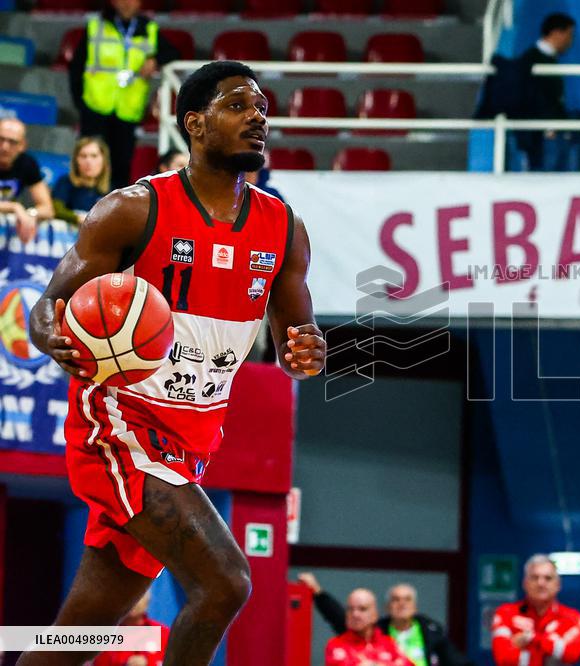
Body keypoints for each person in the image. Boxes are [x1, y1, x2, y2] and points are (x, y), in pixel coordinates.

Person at [23, 60, 326, 665]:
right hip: (119, 427)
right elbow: (47, 307)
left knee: (77, 636)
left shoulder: (283, 227)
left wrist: (307, 350)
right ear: (195, 123)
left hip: (190, 442)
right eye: (238, 105)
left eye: (262, 107)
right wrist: (51, 334)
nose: (257, 118)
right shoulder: (133, 209)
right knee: (226, 583)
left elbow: (298, 333)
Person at [68, 0, 179, 189]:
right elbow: (76, 67)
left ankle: (114, 212)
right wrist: (81, 103)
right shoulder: (96, 26)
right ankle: (83, 209)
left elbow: (173, 53)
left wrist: (155, 59)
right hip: (95, 107)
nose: (127, 3)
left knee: (120, 167)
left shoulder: (149, 29)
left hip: (128, 110)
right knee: (89, 162)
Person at [299, 573, 471, 666]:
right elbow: (341, 619)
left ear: (415, 606)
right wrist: (318, 593)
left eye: (407, 599)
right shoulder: (378, 629)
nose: (401, 604)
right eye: (396, 599)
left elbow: (457, 661)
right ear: (386, 608)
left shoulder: (431, 631)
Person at [491, 554, 580, 666]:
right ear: (525, 583)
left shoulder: (572, 618)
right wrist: (552, 646)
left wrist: (531, 638)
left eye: (548, 578)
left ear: (558, 585)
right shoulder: (506, 613)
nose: (541, 583)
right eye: (534, 577)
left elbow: (572, 655)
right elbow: (503, 658)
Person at [516, 13, 575, 171]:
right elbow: (529, 97)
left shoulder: (550, 60)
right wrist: (547, 126)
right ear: (556, 33)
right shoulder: (530, 60)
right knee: (544, 182)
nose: (571, 41)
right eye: (569, 35)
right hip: (543, 136)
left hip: (554, 132)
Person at [325, 589, 414, 666]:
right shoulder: (335, 644)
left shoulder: (388, 643)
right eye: (350, 609)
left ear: (375, 615)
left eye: (362, 609)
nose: (355, 614)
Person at [0, 117, 54, 243]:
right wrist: (14, 207)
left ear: (22, 145)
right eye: (0, 139)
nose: (4, 147)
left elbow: (48, 208)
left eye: (12, 142)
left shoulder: (26, 163)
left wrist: (31, 214)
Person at [93, 590, 169, 666]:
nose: (133, 603)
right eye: (128, 598)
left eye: (138, 597)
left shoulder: (164, 633)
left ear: (147, 603)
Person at [51, 136, 111, 225]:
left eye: (94, 156)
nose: (88, 161)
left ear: (103, 160)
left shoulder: (112, 191)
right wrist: (78, 219)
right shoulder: (65, 182)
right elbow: (57, 209)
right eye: (83, 156)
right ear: (76, 160)